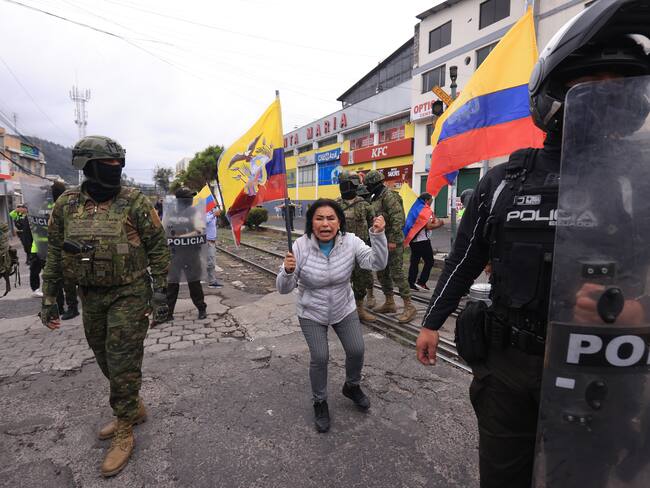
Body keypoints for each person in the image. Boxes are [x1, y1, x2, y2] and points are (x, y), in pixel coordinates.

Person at [415, 3, 650, 487]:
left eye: (620, 91)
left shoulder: (637, 183)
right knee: (504, 477)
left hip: (598, 366)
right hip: (508, 369)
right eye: (592, 90)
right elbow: (463, 259)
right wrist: (431, 322)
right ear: (554, 98)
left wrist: (637, 309)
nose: (608, 103)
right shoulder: (504, 182)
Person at [41, 135, 170, 478]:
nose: (115, 171)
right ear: (87, 167)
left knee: (122, 358)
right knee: (103, 355)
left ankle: (125, 428)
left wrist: (160, 295)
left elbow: (159, 248)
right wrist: (50, 298)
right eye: (107, 165)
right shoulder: (66, 205)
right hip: (90, 294)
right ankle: (133, 406)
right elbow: (54, 254)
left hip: (129, 292)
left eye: (118, 165)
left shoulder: (134, 202)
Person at [276, 199, 387, 433]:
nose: (325, 224)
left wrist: (377, 236)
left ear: (339, 222)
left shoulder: (351, 242)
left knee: (357, 350)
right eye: (319, 218)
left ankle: (352, 386)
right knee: (320, 357)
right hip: (311, 312)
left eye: (331, 218)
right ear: (311, 222)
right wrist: (287, 272)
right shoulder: (300, 246)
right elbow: (284, 289)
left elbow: (376, 262)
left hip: (343, 308)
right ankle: (320, 401)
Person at [365, 170, 416, 323]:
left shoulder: (389, 196)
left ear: (375, 184)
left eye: (369, 185)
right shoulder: (376, 197)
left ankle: (409, 306)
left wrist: (393, 239)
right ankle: (389, 302)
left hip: (392, 241)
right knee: (381, 272)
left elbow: (398, 218)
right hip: (381, 241)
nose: (367, 188)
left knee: (397, 273)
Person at [336, 171, 376, 323]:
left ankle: (359, 309)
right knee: (340, 280)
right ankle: (341, 311)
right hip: (340, 251)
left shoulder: (365, 206)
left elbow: (373, 228)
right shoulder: (336, 205)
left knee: (361, 281)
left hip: (360, 251)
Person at [165, 187, 208, 320]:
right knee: (172, 284)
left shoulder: (194, 212)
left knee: (194, 283)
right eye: (188, 197)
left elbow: (200, 229)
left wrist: (182, 237)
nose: (191, 200)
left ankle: (201, 308)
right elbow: (164, 229)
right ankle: (168, 312)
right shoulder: (170, 213)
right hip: (175, 254)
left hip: (191, 253)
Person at [407, 192, 443, 291]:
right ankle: (421, 282)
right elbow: (428, 226)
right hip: (422, 240)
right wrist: (440, 224)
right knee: (429, 261)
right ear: (427, 200)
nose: (431, 202)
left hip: (413, 239)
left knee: (415, 261)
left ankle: (411, 282)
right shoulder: (424, 210)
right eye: (431, 200)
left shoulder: (416, 207)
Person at [206, 204, 223, 288]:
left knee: (210, 262)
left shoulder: (212, 212)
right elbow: (203, 221)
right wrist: (213, 215)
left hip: (211, 241)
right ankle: (211, 282)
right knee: (211, 263)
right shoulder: (205, 213)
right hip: (206, 241)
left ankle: (210, 280)